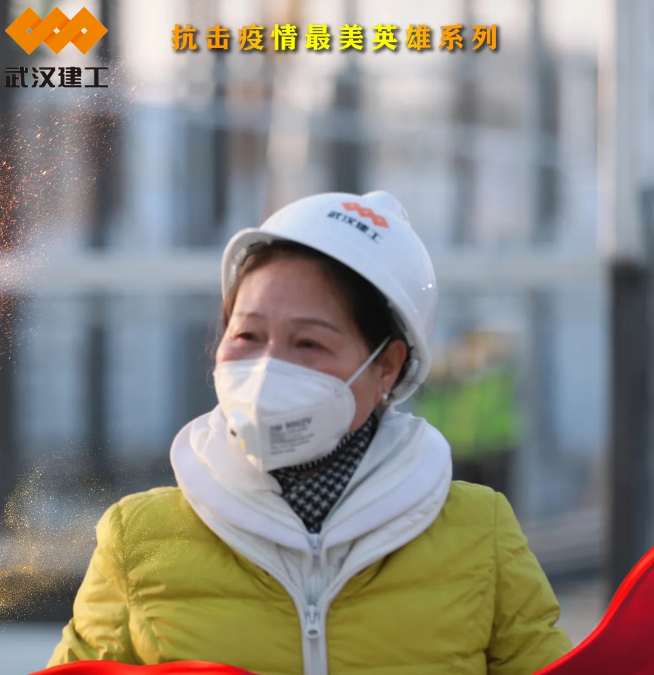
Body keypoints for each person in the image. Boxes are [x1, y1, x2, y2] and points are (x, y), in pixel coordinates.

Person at [48, 191, 572, 675]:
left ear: (386, 366)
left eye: (308, 344)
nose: (266, 370)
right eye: (248, 334)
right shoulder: (138, 539)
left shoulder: (479, 533)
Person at [414, 330, 519, 502]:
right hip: (460, 449)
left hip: (493, 447)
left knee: (494, 500)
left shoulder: (494, 376)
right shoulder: (448, 382)